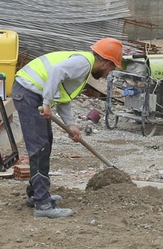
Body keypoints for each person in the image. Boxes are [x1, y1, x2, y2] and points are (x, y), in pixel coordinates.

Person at [14, 38, 124, 218]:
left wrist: (70, 124)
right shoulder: (82, 63)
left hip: (31, 92)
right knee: (39, 148)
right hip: (29, 93)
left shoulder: (83, 66)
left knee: (45, 144)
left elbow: (63, 96)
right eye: (111, 68)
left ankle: (37, 194)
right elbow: (56, 72)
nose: (108, 74)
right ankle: (42, 204)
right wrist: (47, 101)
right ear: (106, 62)